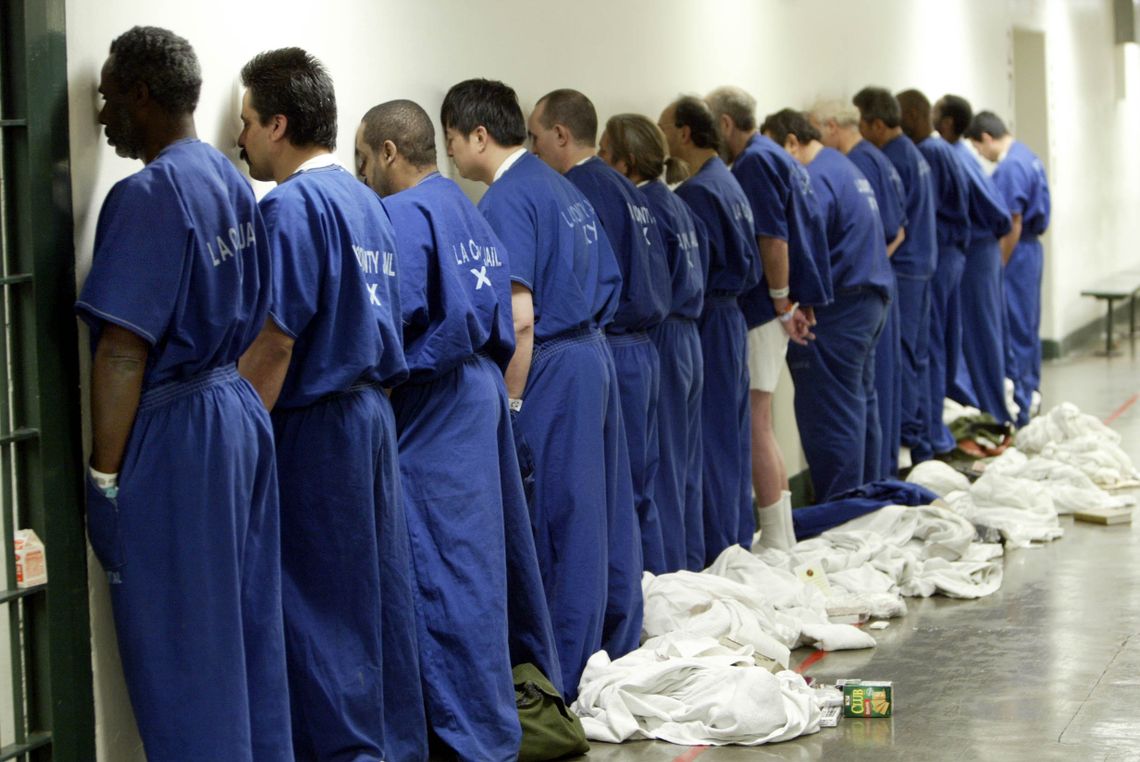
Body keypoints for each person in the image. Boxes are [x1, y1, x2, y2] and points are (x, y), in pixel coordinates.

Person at [78, 26, 292, 760]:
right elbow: (267, 320)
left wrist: (103, 480)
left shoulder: (147, 195)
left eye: (108, 99)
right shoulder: (227, 178)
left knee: (186, 651)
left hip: (179, 435)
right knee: (243, 635)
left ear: (141, 93)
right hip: (234, 412)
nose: (103, 117)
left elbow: (120, 353)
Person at [235, 49, 425, 761]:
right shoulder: (363, 204)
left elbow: (276, 342)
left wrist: (239, 445)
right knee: (374, 600)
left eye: (247, 123)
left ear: (278, 125)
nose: (241, 139)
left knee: (318, 609)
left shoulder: (288, 210)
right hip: (371, 417)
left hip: (314, 426)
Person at [356, 99, 560, 760]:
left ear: (388, 152)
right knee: (482, 564)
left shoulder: (399, 217)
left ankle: (464, 737)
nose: (361, 175)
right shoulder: (464, 206)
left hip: (432, 404)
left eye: (362, 159)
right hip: (480, 394)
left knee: (437, 566)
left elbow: (390, 324)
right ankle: (496, 716)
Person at [440, 78, 635, 698]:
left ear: (478, 136)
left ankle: (564, 679)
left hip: (551, 363)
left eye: (450, 142)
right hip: (593, 354)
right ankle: (614, 649)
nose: (449, 158)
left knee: (557, 523)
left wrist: (512, 403)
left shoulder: (504, 201)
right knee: (600, 515)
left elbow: (519, 316)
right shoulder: (561, 187)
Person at [528, 89, 671, 573]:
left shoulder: (583, 189)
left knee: (610, 492)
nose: (532, 151)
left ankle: (626, 601)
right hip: (643, 346)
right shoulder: (629, 188)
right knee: (640, 485)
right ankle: (650, 590)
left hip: (612, 346)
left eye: (535, 137)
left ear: (561, 135)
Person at [705, 85, 828, 548]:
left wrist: (781, 301)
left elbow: (773, 239)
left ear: (723, 124)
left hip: (762, 308)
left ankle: (776, 536)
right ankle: (782, 533)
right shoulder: (779, 156)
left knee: (757, 420)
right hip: (778, 304)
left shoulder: (755, 162)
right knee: (765, 419)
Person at [762, 108, 892, 501]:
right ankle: (864, 501)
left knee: (830, 416)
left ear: (791, 143)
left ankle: (840, 511)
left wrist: (786, 301)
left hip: (839, 310)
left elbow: (800, 245)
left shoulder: (813, 178)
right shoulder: (843, 166)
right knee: (859, 408)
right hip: (869, 300)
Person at [599, 112, 708, 571]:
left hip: (661, 336)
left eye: (604, 155)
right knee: (684, 469)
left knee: (659, 473)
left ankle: (670, 577)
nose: (599, 164)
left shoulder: (642, 207)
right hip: (689, 334)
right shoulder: (675, 203)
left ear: (625, 163)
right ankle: (690, 564)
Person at [658, 95, 763, 563]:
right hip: (732, 317)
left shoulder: (696, 193)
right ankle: (737, 537)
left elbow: (692, 270)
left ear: (683, 133)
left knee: (712, 441)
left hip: (710, 319)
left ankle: (721, 549)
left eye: (663, 128)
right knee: (733, 436)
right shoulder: (728, 181)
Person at [811, 98, 906, 479]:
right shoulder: (857, 165)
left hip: (848, 300)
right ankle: (869, 490)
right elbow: (897, 227)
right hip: (873, 290)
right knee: (863, 401)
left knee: (840, 408)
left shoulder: (832, 169)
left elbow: (813, 238)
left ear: (831, 126)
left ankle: (847, 503)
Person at [854, 86, 939, 467]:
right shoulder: (909, 154)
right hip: (920, 263)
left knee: (904, 358)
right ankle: (919, 438)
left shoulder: (890, 158)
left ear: (875, 123)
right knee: (917, 355)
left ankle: (908, 442)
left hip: (905, 268)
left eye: (860, 122)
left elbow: (893, 227)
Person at [897, 89, 971, 456]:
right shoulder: (939, 151)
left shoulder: (927, 152)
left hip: (938, 256)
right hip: (943, 255)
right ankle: (933, 430)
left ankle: (932, 432)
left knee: (931, 346)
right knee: (937, 345)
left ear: (913, 113)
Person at [966, 110, 1051, 426]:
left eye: (978, 148)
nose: (980, 155)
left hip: (1017, 252)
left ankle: (1023, 400)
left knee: (1015, 327)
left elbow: (1012, 222)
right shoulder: (1026, 155)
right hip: (1031, 251)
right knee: (1027, 324)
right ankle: (1031, 392)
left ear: (987, 138)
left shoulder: (1011, 166)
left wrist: (998, 264)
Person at [934, 95, 1013, 425]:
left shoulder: (955, 156)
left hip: (977, 251)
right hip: (976, 250)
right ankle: (986, 409)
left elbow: (998, 213)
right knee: (975, 335)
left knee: (982, 336)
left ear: (948, 122)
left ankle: (994, 415)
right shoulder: (958, 154)